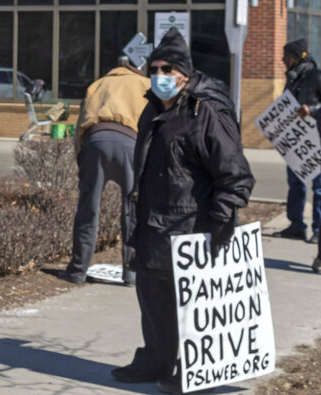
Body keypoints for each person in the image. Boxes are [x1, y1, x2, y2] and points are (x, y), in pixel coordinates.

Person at [111, 28, 254, 395]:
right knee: (153, 303)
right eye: (154, 68)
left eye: (168, 69)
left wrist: (221, 222)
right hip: (152, 228)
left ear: (184, 74)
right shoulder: (153, 108)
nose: (159, 75)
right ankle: (155, 361)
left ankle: (193, 371)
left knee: (191, 308)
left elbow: (235, 176)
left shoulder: (205, 112)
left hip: (191, 231)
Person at [59, 56, 149, 286]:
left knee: (88, 209)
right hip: (130, 143)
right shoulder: (145, 85)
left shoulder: (97, 84)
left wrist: (81, 157)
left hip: (95, 140)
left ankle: (77, 271)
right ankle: (132, 274)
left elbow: (81, 123)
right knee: (132, 211)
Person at [276, 38, 321, 243]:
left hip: (315, 140)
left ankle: (318, 230)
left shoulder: (315, 76)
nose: (282, 60)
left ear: (294, 57)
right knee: (295, 183)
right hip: (297, 141)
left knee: (319, 188)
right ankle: (296, 226)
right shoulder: (293, 78)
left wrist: (310, 110)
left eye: (285, 56)